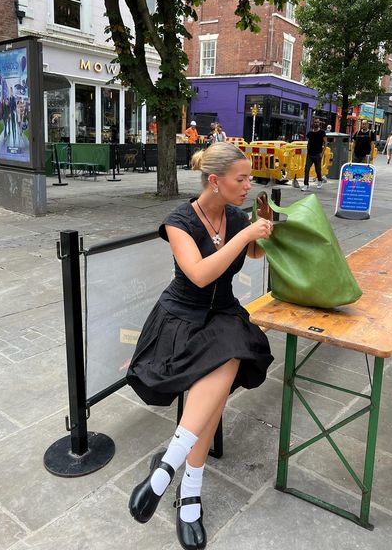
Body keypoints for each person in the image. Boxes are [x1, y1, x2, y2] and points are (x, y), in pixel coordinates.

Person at [126, 142, 274, 549]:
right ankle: (188, 490)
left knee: (229, 350)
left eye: (249, 178)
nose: (248, 185)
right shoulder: (178, 221)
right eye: (241, 179)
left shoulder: (236, 214)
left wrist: (261, 227)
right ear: (215, 180)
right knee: (222, 369)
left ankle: (168, 468)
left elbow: (255, 253)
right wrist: (246, 231)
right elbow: (201, 275)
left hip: (222, 315)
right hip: (181, 319)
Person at [301, 119, 327, 191]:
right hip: (310, 154)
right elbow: (309, 142)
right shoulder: (310, 133)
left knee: (318, 169)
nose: (316, 123)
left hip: (318, 154)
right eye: (315, 122)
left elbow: (325, 143)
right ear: (313, 123)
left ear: (319, 123)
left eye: (317, 122)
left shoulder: (322, 132)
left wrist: (322, 153)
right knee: (306, 169)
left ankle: (320, 180)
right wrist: (307, 150)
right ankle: (306, 184)